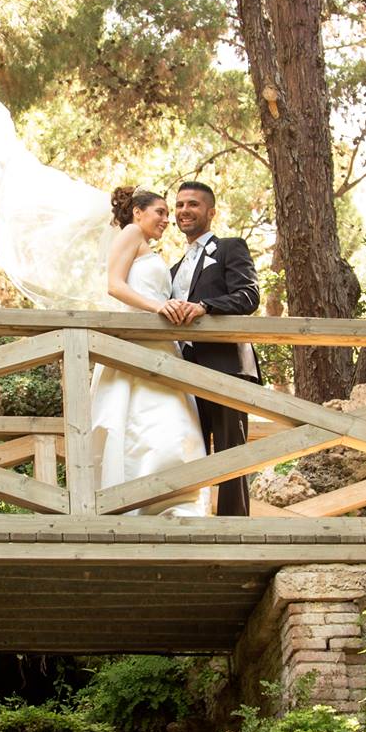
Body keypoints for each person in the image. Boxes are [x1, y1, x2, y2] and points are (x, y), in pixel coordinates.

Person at [91, 187, 210, 517]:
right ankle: (139, 505)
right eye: (160, 211)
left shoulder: (148, 249)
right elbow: (115, 285)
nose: (166, 219)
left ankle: (171, 502)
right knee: (140, 422)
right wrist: (159, 307)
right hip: (136, 345)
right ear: (137, 212)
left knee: (170, 422)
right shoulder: (131, 233)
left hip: (161, 346)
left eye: (167, 214)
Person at [163, 181, 261, 516]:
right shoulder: (173, 269)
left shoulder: (230, 248)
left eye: (193, 204)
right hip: (183, 371)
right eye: (179, 205)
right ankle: (196, 523)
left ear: (211, 212)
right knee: (190, 451)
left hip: (226, 366)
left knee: (232, 454)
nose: (184, 211)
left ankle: (235, 530)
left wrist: (205, 306)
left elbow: (249, 296)